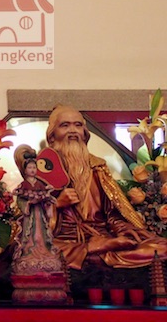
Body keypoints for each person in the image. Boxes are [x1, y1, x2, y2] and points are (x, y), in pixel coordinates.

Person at [46, 105, 167, 269]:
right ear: (52, 136)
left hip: (104, 237)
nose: (72, 130)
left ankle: (98, 249)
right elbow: (28, 223)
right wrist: (56, 204)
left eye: (78, 125)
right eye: (65, 125)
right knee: (34, 252)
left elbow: (113, 214)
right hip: (64, 242)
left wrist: (122, 230)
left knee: (161, 247)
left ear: (85, 134)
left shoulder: (98, 168)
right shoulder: (43, 168)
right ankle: (90, 249)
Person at [12, 145, 62, 275]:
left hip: (40, 213)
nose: (32, 170)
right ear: (25, 170)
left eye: (34, 167)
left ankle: (43, 251)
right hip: (30, 215)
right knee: (30, 233)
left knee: (41, 233)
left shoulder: (40, 184)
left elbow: (45, 197)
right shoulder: (23, 185)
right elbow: (20, 200)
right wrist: (28, 204)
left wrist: (47, 199)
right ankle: (28, 251)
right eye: (30, 168)